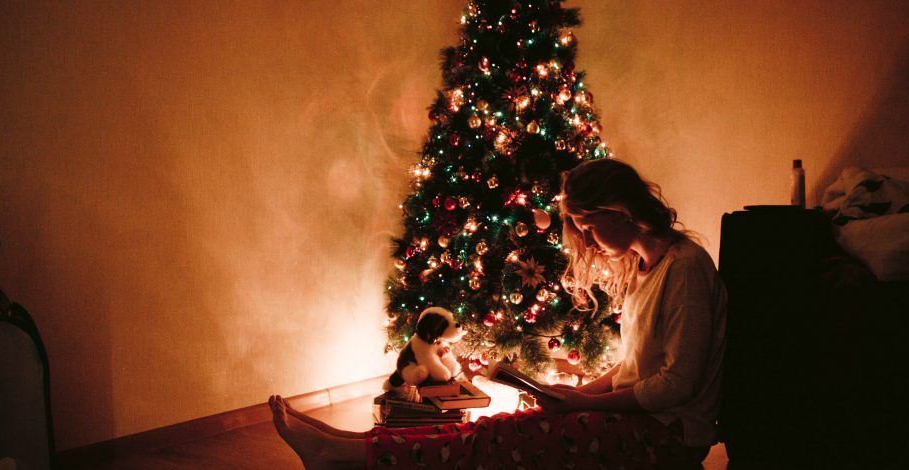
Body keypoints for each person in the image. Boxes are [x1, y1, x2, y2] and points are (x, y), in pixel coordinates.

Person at [268, 158, 727, 469]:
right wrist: (574, 394)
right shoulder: (642, 266)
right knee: (504, 425)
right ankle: (350, 445)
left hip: (668, 440)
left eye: (589, 226)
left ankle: (347, 457)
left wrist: (585, 403)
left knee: (492, 445)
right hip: (637, 422)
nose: (586, 242)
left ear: (619, 209)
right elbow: (632, 367)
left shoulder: (685, 268)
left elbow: (676, 384)